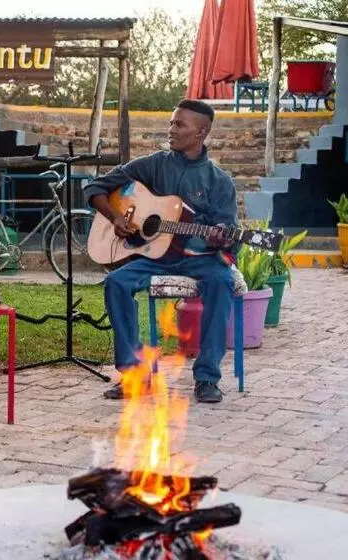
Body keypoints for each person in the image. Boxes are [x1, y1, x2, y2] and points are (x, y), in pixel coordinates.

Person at [83, 99, 237, 404]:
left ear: (201, 132)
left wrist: (221, 238)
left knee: (222, 282)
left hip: (200, 260)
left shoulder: (219, 182)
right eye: (171, 122)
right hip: (157, 258)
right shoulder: (154, 164)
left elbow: (228, 232)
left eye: (180, 124)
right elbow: (95, 187)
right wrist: (116, 218)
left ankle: (206, 378)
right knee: (117, 283)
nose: (171, 129)